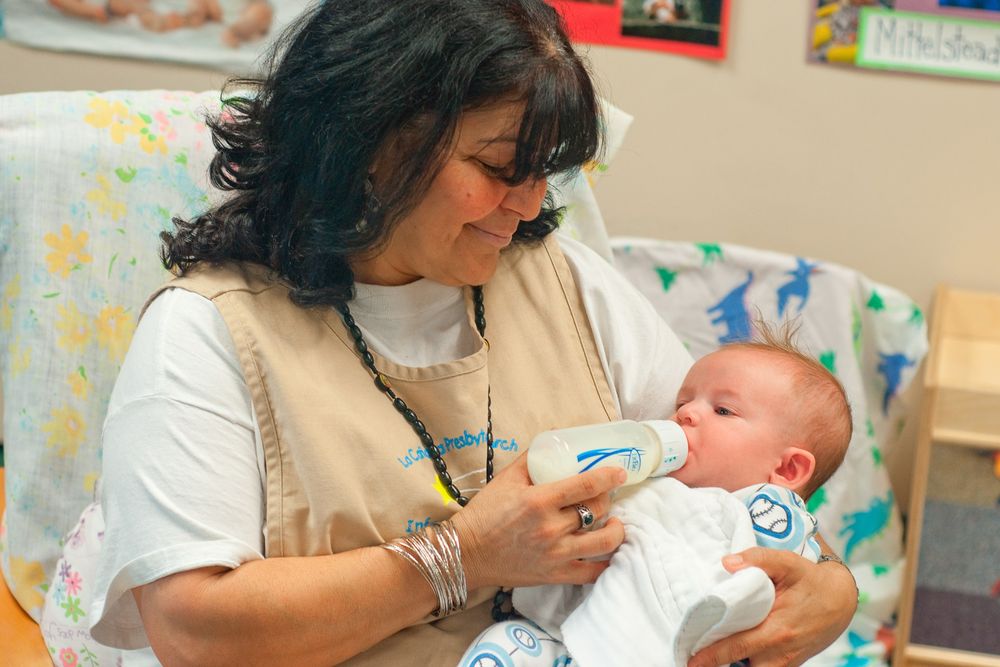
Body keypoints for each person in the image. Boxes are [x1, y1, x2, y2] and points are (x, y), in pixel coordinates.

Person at [88, 0, 858, 664]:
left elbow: (739, 470)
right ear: (372, 143)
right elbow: (193, 629)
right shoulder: (210, 334)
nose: (526, 206)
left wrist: (833, 588)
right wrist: (461, 556)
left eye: (542, 171)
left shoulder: (564, 281)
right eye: (497, 167)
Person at [462, 329, 854, 665]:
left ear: (786, 470)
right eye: (683, 403)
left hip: (688, 649)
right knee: (507, 645)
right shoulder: (643, 484)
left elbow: (773, 585)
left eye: (722, 410)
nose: (685, 415)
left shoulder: (769, 509)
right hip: (577, 640)